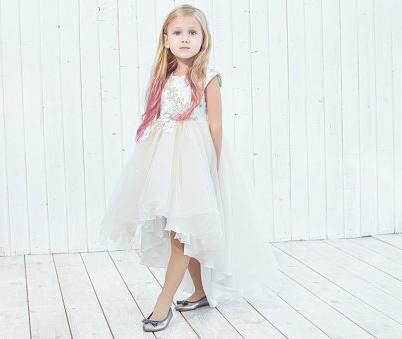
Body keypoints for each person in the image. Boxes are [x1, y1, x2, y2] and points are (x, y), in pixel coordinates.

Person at [97, 4, 283, 333]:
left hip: (195, 162)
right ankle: (199, 291)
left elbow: (215, 127)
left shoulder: (207, 77)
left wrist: (213, 168)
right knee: (180, 229)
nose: (185, 38)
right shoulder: (164, 77)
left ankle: (162, 304)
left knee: (183, 231)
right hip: (165, 160)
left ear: (204, 40)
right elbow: (161, 121)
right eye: (178, 33)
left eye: (192, 32)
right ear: (166, 40)